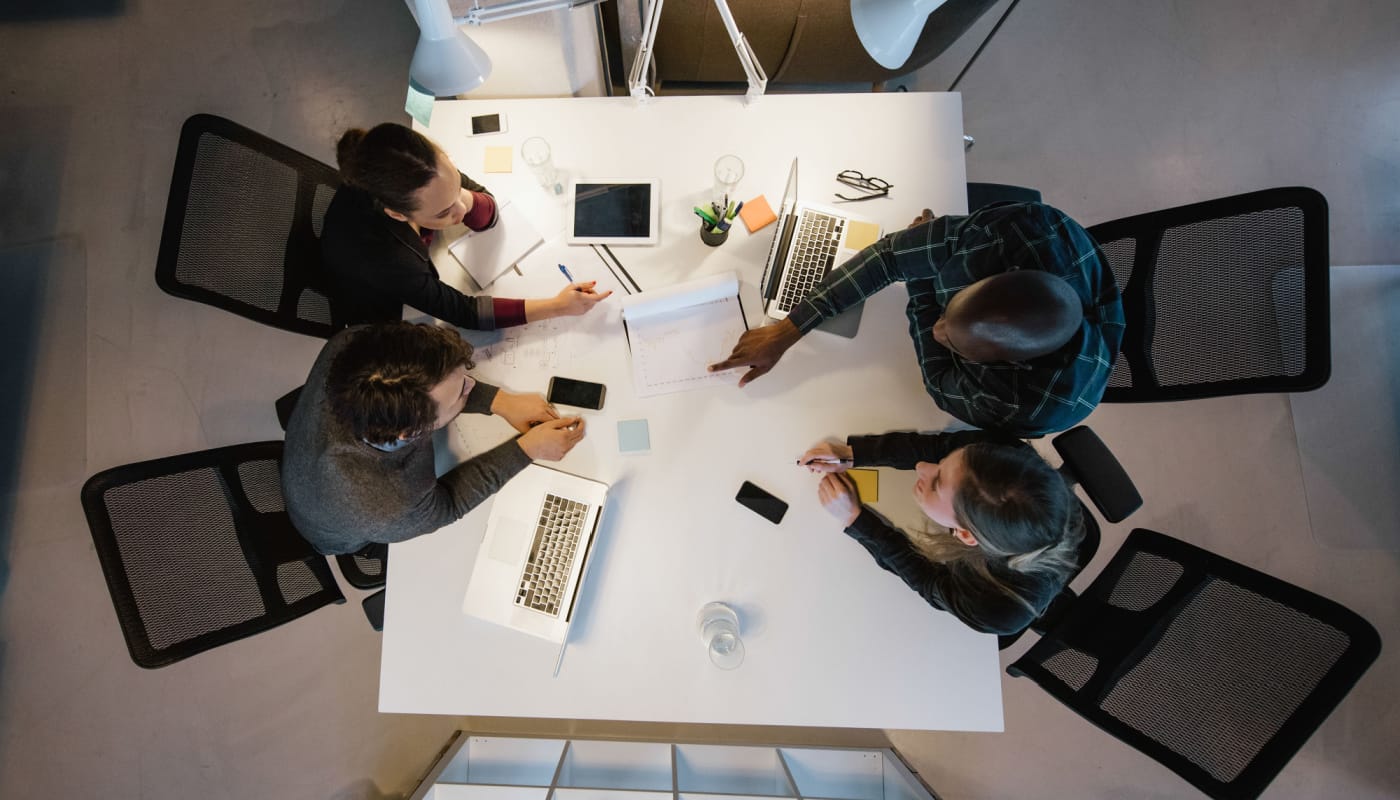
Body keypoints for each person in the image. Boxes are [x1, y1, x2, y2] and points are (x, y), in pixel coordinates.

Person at [711, 202, 1125, 437]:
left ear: (1004, 365)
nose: (937, 331)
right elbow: (890, 256)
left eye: (956, 343)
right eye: (954, 308)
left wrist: (923, 285)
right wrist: (787, 330)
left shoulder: (1026, 404)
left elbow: (939, 384)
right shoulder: (1018, 231)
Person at [281, 322, 586, 555]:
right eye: (461, 393)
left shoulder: (352, 344)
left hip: (311, 457)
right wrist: (527, 449)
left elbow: (435, 384)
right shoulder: (388, 506)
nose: (471, 387)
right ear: (411, 432)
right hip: (338, 529)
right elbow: (447, 505)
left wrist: (500, 401)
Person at [322, 122, 611, 329]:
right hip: (385, 312)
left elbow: (488, 214)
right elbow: (464, 312)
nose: (461, 210)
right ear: (398, 215)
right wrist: (558, 306)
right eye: (443, 212)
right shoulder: (387, 259)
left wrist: (454, 197)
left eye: (457, 188)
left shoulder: (419, 169)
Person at [799, 429, 1084, 636]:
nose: (922, 468)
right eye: (944, 465)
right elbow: (939, 446)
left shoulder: (997, 608)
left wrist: (856, 519)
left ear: (966, 536)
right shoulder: (1006, 453)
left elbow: (927, 581)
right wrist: (853, 454)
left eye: (936, 484)